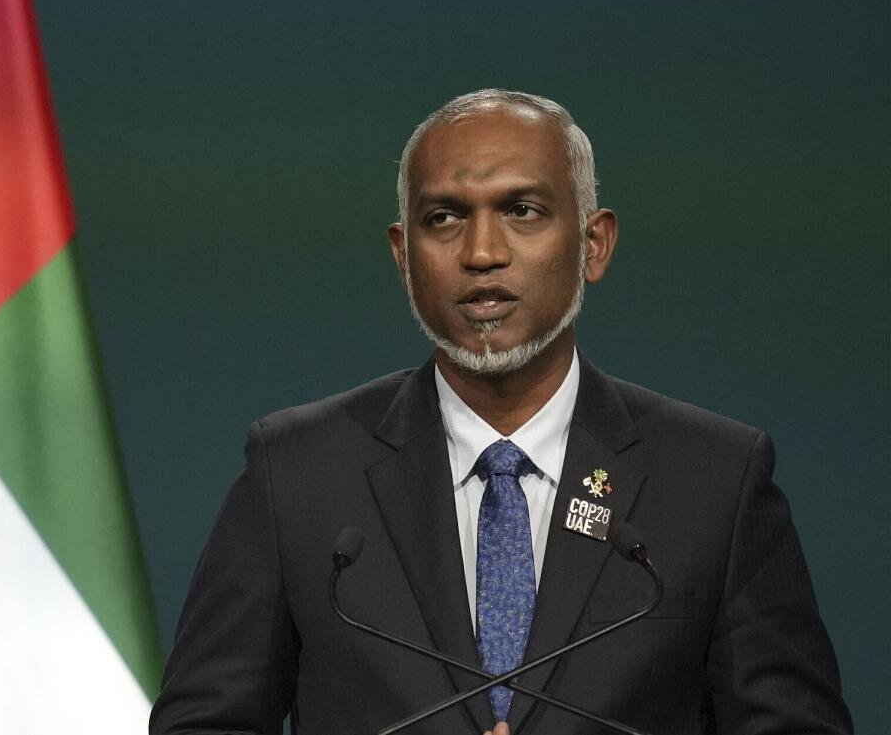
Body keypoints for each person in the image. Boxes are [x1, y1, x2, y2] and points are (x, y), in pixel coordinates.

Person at [149, 89, 852, 735]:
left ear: (594, 244)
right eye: (444, 218)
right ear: (403, 256)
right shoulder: (297, 474)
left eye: (522, 211)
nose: (482, 253)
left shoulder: (716, 482)